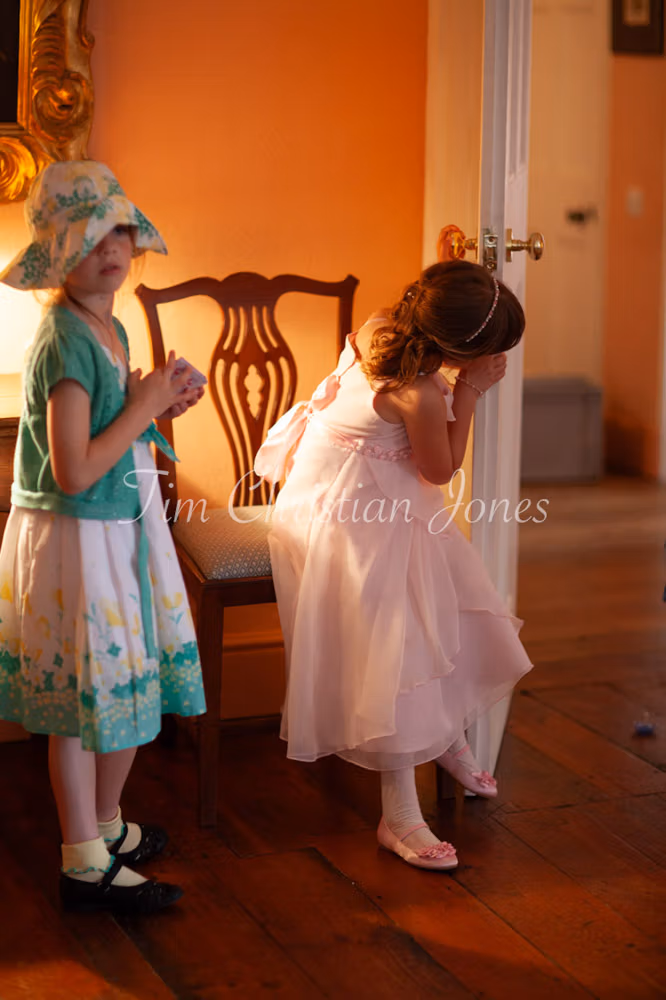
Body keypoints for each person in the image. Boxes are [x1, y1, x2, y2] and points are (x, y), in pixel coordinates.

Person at [254, 254, 533, 870]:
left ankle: (445, 734)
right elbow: (440, 468)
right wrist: (473, 392)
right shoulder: (420, 393)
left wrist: (458, 381)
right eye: (487, 355)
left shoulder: (383, 325)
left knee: (449, 592)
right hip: (341, 524)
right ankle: (399, 814)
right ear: (459, 352)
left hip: (358, 497)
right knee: (398, 644)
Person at [0, 160, 206, 912]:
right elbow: (77, 467)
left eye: (118, 230)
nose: (109, 248)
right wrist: (144, 402)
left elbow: (114, 436)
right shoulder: (64, 341)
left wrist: (160, 402)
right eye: (88, 237)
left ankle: (108, 825)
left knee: (123, 688)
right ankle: (82, 857)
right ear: (57, 256)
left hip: (118, 530)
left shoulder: (108, 324)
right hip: (78, 539)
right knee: (87, 703)